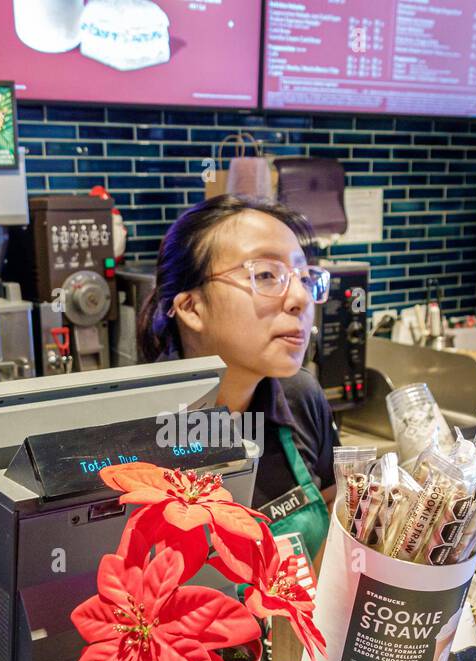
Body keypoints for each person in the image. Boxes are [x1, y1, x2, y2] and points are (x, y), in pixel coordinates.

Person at [136, 195, 339, 561]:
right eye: (265, 275)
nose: (300, 299)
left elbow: (333, 509)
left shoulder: (300, 395)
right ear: (191, 308)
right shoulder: (140, 432)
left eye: (304, 278)